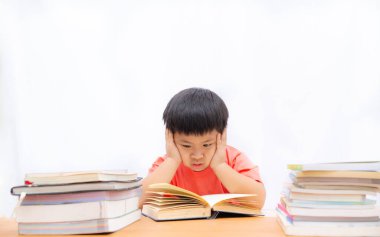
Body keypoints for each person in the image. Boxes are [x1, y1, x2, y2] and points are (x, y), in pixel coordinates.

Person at [141, 87, 266, 208]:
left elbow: (258, 201)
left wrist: (220, 166)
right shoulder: (167, 165)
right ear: (171, 138)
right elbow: (137, 202)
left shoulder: (233, 159)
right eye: (186, 145)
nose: (197, 156)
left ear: (222, 136)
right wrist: (172, 161)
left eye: (207, 145)